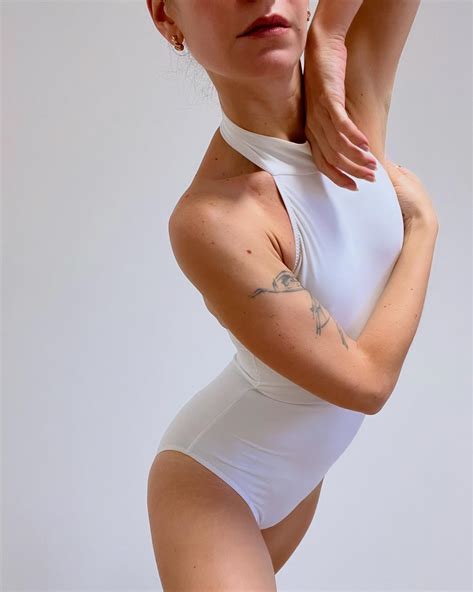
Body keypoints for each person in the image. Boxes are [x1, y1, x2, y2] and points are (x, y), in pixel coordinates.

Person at [145, 1, 438, 590]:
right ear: (166, 17)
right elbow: (367, 382)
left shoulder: (353, 96)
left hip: (302, 476)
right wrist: (423, 229)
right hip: (221, 484)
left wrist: (329, 33)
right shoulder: (213, 218)